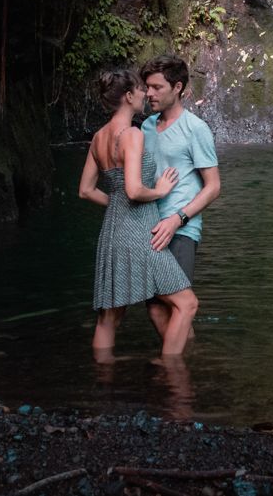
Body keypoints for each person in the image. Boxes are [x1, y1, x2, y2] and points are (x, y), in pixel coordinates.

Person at [77, 69, 199, 357]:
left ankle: (103, 380)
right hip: (140, 230)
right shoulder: (131, 134)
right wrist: (160, 190)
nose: (147, 94)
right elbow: (133, 190)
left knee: (109, 316)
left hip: (112, 231)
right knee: (187, 304)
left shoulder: (98, 137)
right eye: (142, 90)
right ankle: (170, 371)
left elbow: (85, 190)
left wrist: (116, 205)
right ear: (129, 96)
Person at [139, 55, 220, 345]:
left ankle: (175, 374)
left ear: (178, 87)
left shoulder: (195, 129)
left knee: (176, 304)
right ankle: (188, 364)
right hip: (148, 226)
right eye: (147, 87)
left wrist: (178, 219)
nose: (149, 93)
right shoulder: (145, 128)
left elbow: (213, 187)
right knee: (154, 307)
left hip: (181, 229)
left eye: (157, 87)